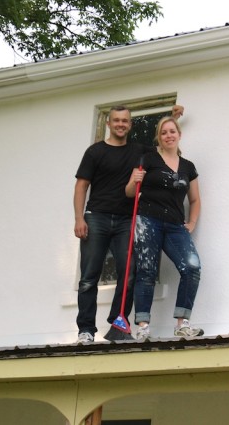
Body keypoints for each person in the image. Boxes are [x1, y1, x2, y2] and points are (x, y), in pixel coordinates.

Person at [73, 105, 184, 343]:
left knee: (130, 271)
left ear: (130, 125)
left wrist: (172, 119)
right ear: (109, 124)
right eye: (116, 120)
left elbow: (163, 145)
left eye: (125, 121)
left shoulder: (139, 151)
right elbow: (81, 186)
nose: (121, 124)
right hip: (96, 217)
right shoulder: (95, 152)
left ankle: (118, 322)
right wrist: (79, 218)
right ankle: (85, 330)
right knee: (89, 277)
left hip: (126, 220)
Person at [125, 116, 203, 340]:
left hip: (175, 225)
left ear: (179, 134)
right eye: (164, 132)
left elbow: (195, 200)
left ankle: (182, 324)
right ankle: (142, 327)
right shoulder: (148, 159)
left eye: (172, 131)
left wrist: (191, 223)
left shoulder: (188, 167)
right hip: (148, 220)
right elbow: (130, 193)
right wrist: (134, 180)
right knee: (147, 271)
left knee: (192, 267)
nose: (168, 135)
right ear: (159, 137)